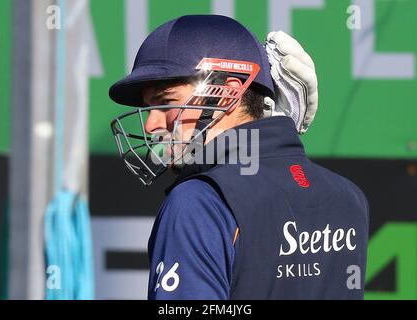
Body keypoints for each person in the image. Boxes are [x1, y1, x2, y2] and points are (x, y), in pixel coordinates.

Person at [109, 15, 369, 300]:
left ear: (228, 92)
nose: (150, 124)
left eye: (166, 101)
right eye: (149, 107)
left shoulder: (198, 201)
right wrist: (269, 141)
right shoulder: (348, 196)